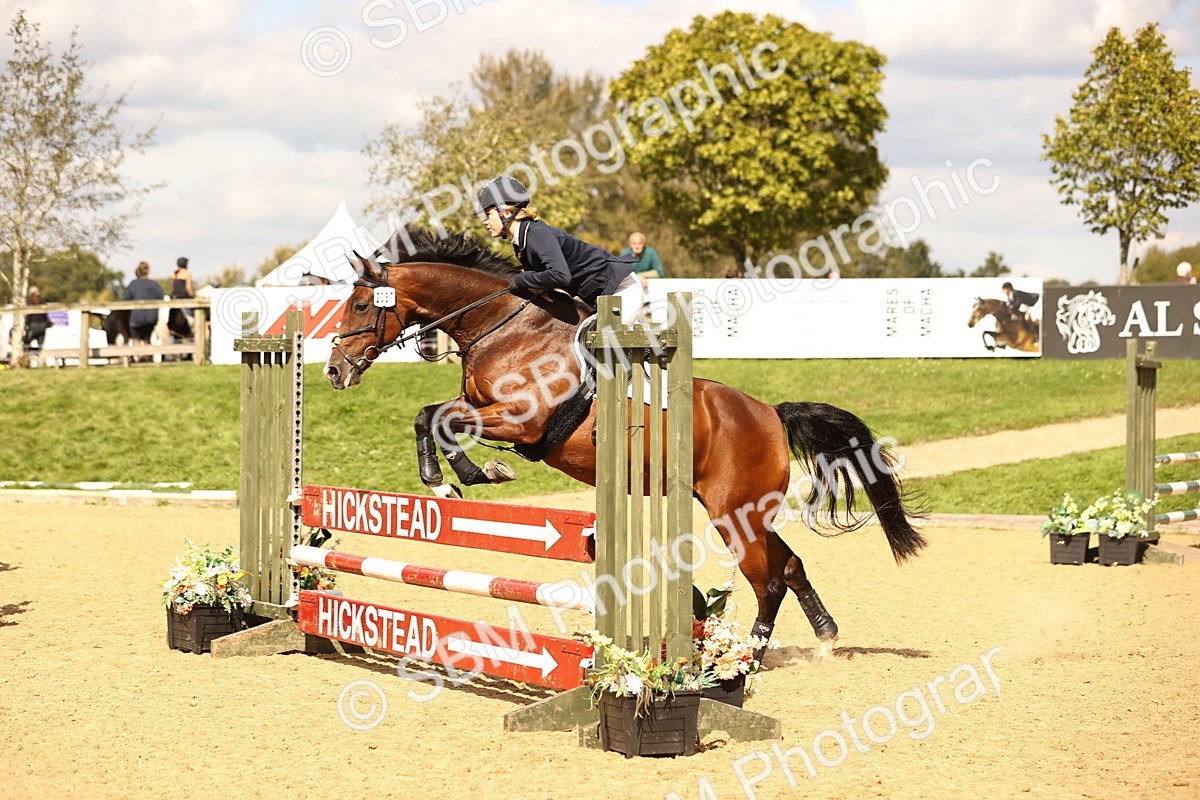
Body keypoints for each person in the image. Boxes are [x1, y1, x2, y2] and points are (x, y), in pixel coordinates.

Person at [477, 176, 644, 323]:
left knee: (602, 342)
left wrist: (520, 279)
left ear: (505, 212)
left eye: (488, 214)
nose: (485, 221)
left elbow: (560, 276)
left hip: (622, 289)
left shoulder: (537, 234)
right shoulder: (521, 240)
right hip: (600, 297)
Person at [123, 261, 165, 346]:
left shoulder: (133, 284)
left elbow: (126, 298)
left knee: (136, 339)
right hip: (151, 318)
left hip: (136, 318)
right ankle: (146, 355)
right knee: (147, 339)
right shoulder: (154, 284)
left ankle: (138, 355)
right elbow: (161, 296)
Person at [170, 257, 195, 337]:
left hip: (174, 298)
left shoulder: (174, 274)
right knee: (192, 317)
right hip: (184, 299)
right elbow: (189, 288)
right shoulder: (187, 273)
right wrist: (193, 296)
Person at [22, 286, 51, 351]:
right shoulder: (43, 302)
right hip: (42, 326)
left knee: (26, 342)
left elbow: (28, 316)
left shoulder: (30, 303)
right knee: (40, 345)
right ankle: (40, 356)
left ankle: (25, 355)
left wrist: (24, 327)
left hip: (33, 325)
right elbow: (46, 315)